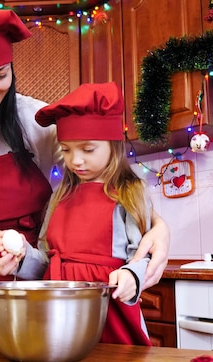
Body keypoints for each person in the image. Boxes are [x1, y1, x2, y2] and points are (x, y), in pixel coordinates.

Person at [0, 2, 170, 335]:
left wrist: (157, 225)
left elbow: (103, 177)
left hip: (37, 283)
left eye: (0, 75)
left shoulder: (37, 120)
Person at [11, 82, 154, 345]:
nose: (75, 160)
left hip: (108, 307)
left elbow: (143, 255)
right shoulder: (59, 195)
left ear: (113, 145)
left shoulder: (130, 192)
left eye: (88, 150)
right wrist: (21, 257)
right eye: (66, 150)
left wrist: (132, 276)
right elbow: (45, 260)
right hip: (57, 309)